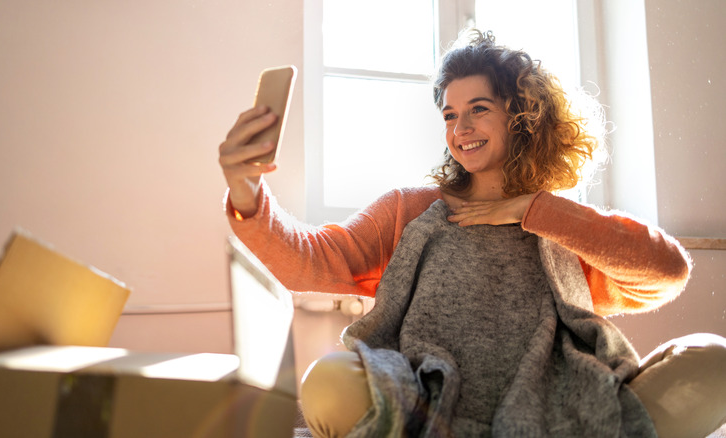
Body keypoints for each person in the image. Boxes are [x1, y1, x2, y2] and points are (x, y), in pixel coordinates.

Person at [219, 31, 726, 438]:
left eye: (478, 109)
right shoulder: (408, 209)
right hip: (421, 399)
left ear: (523, 114)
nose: (460, 127)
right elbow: (311, 261)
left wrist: (534, 208)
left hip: (563, 396)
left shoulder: (566, 223)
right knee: (327, 384)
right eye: (449, 114)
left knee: (713, 361)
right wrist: (246, 191)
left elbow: (668, 271)